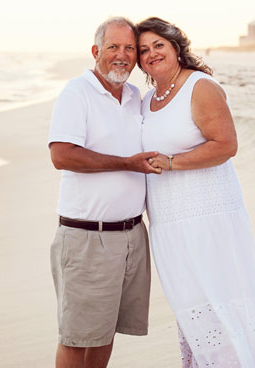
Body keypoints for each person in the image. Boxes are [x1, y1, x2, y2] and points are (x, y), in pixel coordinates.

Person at [134, 17, 255, 367]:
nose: (151, 54)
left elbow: (225, 145)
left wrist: (173, 162)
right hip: (168, 222)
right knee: (191, 302)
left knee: (224, 295)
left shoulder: (200, 86)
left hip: (209, 216)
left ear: (176, 46)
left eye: (158, 45)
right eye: (144, 49)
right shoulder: (148, 100)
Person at [47, 17, 161, 368]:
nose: (122, 56)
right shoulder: (76, 93)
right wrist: (127, 163)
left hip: (130, 236)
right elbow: (61, 155)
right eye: (113, 47)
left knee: (105, 332)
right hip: (87, 238)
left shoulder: (135, 96)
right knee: (78, 338)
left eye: (130, 48)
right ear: (96, 51)